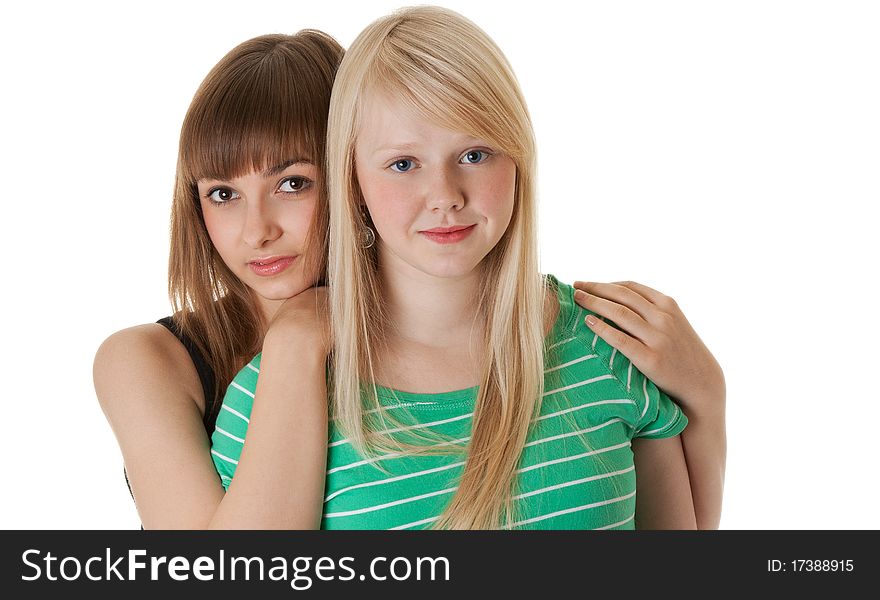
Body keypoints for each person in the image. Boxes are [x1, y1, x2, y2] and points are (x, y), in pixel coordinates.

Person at [212, 6, 726, 529]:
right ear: (352, 180)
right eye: (403, 164)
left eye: (475, 155)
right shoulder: (272, 396)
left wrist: (708, 391)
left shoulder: (609, 347)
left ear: (518, 156)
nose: (444, 196)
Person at [93, 31, 343, 528]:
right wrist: (297, 336)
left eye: (292, 183)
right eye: (224, 194)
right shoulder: (147, 361)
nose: (257, 231)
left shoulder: (434, 334)